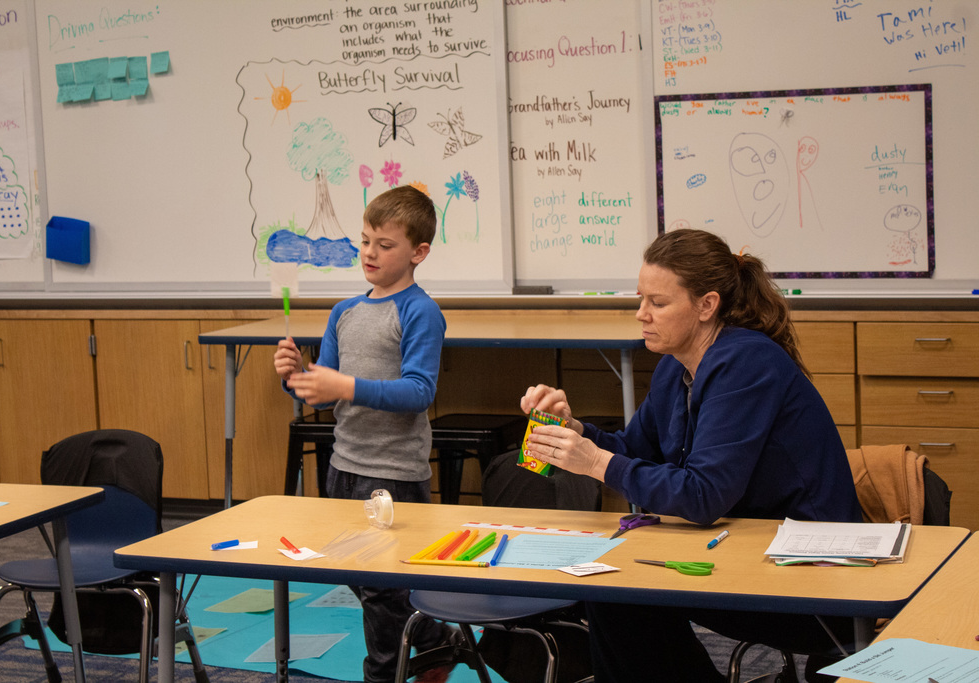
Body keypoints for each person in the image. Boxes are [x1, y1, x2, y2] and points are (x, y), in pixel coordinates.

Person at [519, 228, 862, 683]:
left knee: (619, 595)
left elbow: (703, 497)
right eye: (640, 299)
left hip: (813, 581)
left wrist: (593, 461)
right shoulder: (674, 366)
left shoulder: (746, 362)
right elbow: (632, 450)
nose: (641, 314)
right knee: (613, 591)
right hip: (744, 554)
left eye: (657, 303)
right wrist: (574, 430)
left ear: (707, 305)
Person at [273, 185, 453, 683]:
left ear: (418, 253)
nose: (370, 253)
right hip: (343, 467)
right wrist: (296, 374)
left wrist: (343, 384)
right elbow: (321, 394)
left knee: (380, 594)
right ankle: (437, 642)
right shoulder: (344, 311)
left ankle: (385, 673)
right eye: (365, 241)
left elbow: (418, 391)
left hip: (392, 474)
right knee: (360, 578)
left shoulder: (420, 312)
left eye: (385, 244)